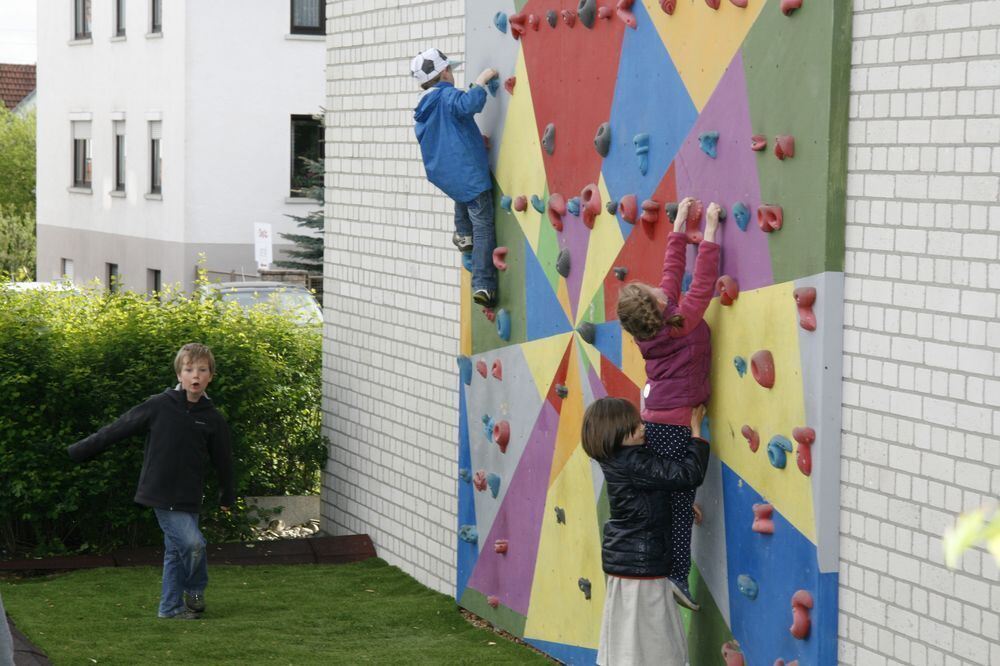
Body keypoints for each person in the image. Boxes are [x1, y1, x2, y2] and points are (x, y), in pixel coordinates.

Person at [67, 343, 235, 620]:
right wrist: (80, 450)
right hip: (160, 493)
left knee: (176, 551)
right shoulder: (159, 405)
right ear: (179, 375)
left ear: (210, 376)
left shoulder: (212, 418)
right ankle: (194, 589)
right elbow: (118, 428)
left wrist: (227, 495)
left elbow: (224, 461)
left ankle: (169, 608)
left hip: (190, 495)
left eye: (202, 370)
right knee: (194, 545)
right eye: (189, 369)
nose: (195, 375)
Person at [615, 197, 722, 611]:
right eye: (655, 293)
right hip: (675, 423)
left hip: (657, 418)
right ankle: (678, 574)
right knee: (678, 505)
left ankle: (673, 567)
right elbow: (703, 282)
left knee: (673, 499)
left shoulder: (655, 327)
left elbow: (672, 271)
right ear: (659, 308)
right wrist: (710, 228)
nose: (660, 287)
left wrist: (678, 224)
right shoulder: (682, 323)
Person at [582, 397, 710, 666]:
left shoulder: (618, 460)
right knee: (654, 635)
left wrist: (684, 509)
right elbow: (686, 475)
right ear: (614, 435)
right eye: (634, 427)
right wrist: (697, 435)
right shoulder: (633, 462)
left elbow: (651, 497)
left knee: (633, 634)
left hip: (630, 561)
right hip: (643, 565)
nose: (643, 428)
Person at [411, 47, 500, 307]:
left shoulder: (424, 106)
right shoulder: (447, 97)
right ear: (445, 73)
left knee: (463, 196)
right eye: (451, 70)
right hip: (468, 173)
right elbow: (469, 104)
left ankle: (463, 233)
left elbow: (450, 129)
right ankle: (483, 283)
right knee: (483, 224)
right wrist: (481, 81)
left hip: (446, 174)